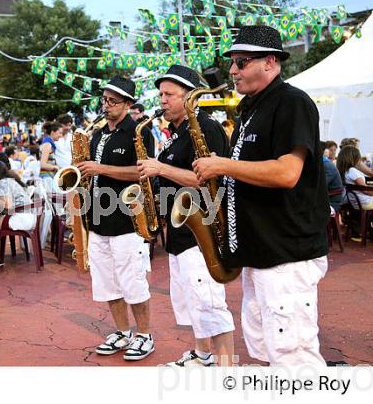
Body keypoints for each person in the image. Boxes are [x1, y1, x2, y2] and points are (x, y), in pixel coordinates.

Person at [193, 25, 329, 366]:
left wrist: (223, 166)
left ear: (270, 62)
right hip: (259, 253)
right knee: (266, 349)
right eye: (233, 63)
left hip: (285, 254)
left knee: (294, 357)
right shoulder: (249, 108)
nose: (233, 70)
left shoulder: (292, 102)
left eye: (241, 62)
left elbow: (286, 173)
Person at [137, 65, 235, 367]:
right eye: (161, 94)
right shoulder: (178, 131)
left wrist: (160, 168)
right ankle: (202, 354)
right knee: (194, 300)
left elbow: (209, 179)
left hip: (202, 228)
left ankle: (227, 370)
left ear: (189, 97)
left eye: (169, 94)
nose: (162, 100)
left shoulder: (205, 128)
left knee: (210, 303)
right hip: (182, 231)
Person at [76, 76, 154, 361]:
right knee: (106, 282)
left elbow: (142, 172)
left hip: (127, 220)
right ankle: (123, 332)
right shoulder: (97, 133)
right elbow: (93, 170)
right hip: (97, 219)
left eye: (112, 101)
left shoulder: (139, 132)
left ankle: (144, 335)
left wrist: (100, 169)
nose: (105, 106)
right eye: (104, 100)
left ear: (128, 104)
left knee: (132, 282)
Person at [0, 160, 35, 269]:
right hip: (27, 216)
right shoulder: (8, 180)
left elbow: (7, 205)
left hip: (21, 218)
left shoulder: (3, 182)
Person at [336, 146, 373, 210]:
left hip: (356, 203)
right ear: (354, 158)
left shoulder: (345, 171)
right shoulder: (352, 171)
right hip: (365, 203)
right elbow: (366, 190)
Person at [320, 141, 343, 213]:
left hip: (331, 202)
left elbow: (321, 185)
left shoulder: (326, 165)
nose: (333, 152)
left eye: (334, 150)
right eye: (331, 150)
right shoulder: (324, 163)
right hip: (326, 198)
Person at [39, 122, 63, 187]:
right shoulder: (47, 144)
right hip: (47, 178)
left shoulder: (49, 143)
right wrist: (55, 167)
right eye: (60, 133)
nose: (61, 135)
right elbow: (42, 164)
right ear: (53, 132)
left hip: (49, 177)